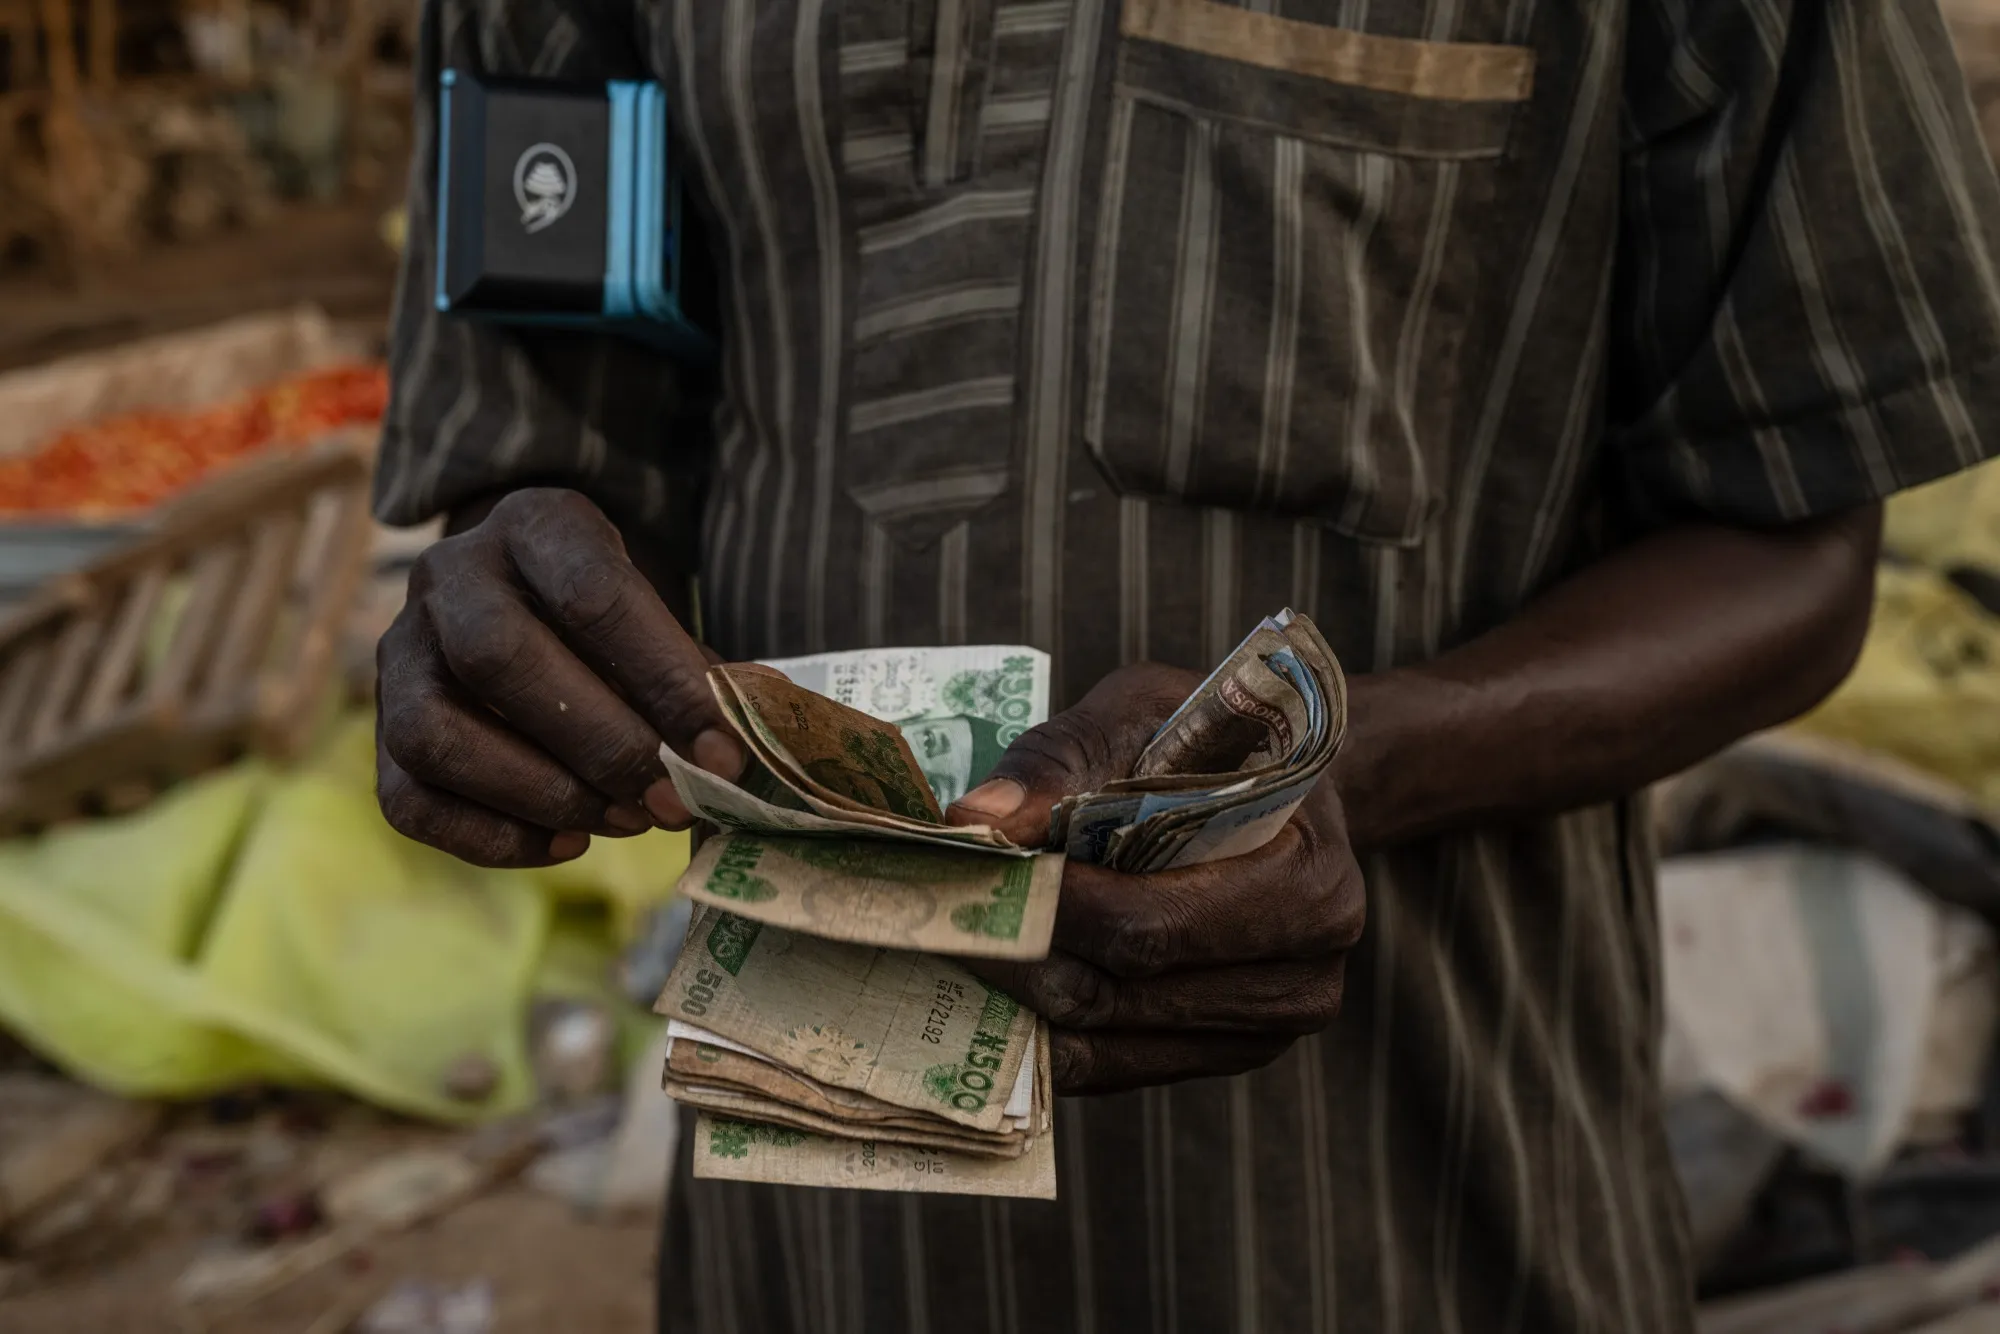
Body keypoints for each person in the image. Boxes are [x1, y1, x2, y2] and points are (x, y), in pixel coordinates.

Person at [371, 0, 2000, 1327]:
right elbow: (550, 439)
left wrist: (1325, 758)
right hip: (816, 1238)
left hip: (1423, 1230)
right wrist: (504, 630)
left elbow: (1794, 546)